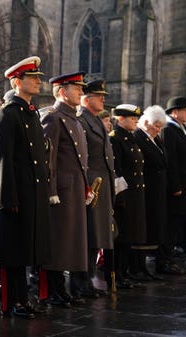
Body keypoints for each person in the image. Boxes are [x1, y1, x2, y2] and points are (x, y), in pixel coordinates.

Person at [0, 56, 51, 319]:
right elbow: (3, 158)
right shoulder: (7, 114)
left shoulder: (30, 113)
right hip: (15, 193)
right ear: (17, 82)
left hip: (33, 190)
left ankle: (23, 298)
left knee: (26, 247)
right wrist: (8, 197)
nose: (39, 81)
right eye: (33, 77)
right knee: (13, 250)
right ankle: (11, 301)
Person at [42, 72, 92, 307]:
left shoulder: (74, 118)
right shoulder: (53, 118)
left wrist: (86, 186)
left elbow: (81, 159)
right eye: (76, 88)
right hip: (61, 190)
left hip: (74, 187)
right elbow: (47, 159)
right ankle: (54, 289)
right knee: (59, 241)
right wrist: (51, 190)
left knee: (69, 241)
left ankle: (61, 288)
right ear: (62, 91)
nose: (81, 92)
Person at [72, 79, 116, 297]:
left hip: (102, 186)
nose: (104, 99)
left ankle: (87, 280)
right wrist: (87, 184)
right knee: (87, 235)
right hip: (91, 185)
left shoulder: (96, 121)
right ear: (87, 99)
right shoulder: (82, 120)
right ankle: (80, 282)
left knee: (96, 235)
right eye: (100, 96)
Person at [158, 96, 186, 274]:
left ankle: (184, 258)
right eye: (185, 110)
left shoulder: (182, 129)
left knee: (184, 224)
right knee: (171, 225)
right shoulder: (168, 129)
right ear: (174, 112)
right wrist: (175, 185)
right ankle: (165, 260)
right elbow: (170, 159)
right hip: (177, 188)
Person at [110, 104, 145, 288]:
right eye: (132, 118)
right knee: (120, 237)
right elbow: (117, 170)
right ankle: (116, 274)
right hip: (124, 195)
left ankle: (123, 272)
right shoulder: (116, 138)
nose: (136, 121)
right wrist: (120, 196)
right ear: (121, 119)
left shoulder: (129, 138)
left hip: (134, 194)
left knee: (129, 236)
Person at [132, 105, 169, 280]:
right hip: (145, 190)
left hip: (156, 190)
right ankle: (138, 267)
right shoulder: (138, 137)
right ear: (146, 122)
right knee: (143, 229)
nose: (158, 130)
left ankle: (144, 267)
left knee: (152, 228)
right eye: (156, 126)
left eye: (160, 127)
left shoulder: (155, 139)